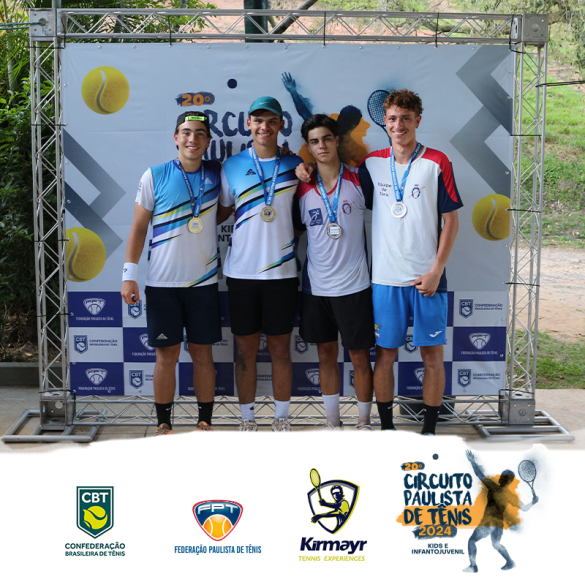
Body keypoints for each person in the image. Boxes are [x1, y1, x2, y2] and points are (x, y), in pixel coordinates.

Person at [297, 89, 463, 434]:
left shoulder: (438, 161)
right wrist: (305, 167)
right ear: (384, 123)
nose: (399, 125)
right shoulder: (371, 165)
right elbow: (332, 177)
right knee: (385, 356)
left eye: (406, 118)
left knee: (433, 357)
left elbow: (451, 221)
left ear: (418, 120)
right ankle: (386, 429)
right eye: (392, 119)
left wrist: (437, 271)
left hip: (428, 279)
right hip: (385, 280)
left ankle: (429, 431)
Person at [121, 111, 223, 435]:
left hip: (203, 283)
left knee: (203, 355)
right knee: (166, 357)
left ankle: (204, 422)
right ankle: (164, 424)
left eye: (200, 133)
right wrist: (128, 274)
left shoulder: (218, 174)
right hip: (162, 284)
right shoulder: (155, 175)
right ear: (176, 137)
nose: (193, 139)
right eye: (186, 132)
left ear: (208, 140)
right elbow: (139, 228)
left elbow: (223, 211)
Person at [218, 97, 303, 432]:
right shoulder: (231, 166)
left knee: (281, 349)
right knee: (245, 351)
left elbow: (304, 216)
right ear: (248, 123)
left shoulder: (297, 165)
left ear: (281, 124)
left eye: (271, 121)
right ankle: (248, 419)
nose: (264, 127)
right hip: (241, 273)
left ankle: (281, 418)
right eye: (258, 120)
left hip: (282, 273)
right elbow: (222, 211)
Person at [294, 114, 375, 430]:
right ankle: (332, 423)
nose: (322, 145)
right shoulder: (301, 187)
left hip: (355, 286)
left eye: (327, 138)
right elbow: (296, 230)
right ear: (309, 147)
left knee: (359, 358)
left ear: (337, 140)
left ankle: (364, 421)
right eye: (314, 141)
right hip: (317, 288)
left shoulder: (359, 179)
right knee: (326, 356)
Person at [464, 450, 538, 572]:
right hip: (498, 524)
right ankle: (510, 562)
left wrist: (472, 461)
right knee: (496, 544)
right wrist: (533, 502)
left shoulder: (493, 487)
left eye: (502, 476)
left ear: (503, 479)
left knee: (472, 541)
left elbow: (479, 474)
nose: (500, 478)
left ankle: (473, 566)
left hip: (488, 522)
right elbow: (525, 508)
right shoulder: (510, 496)